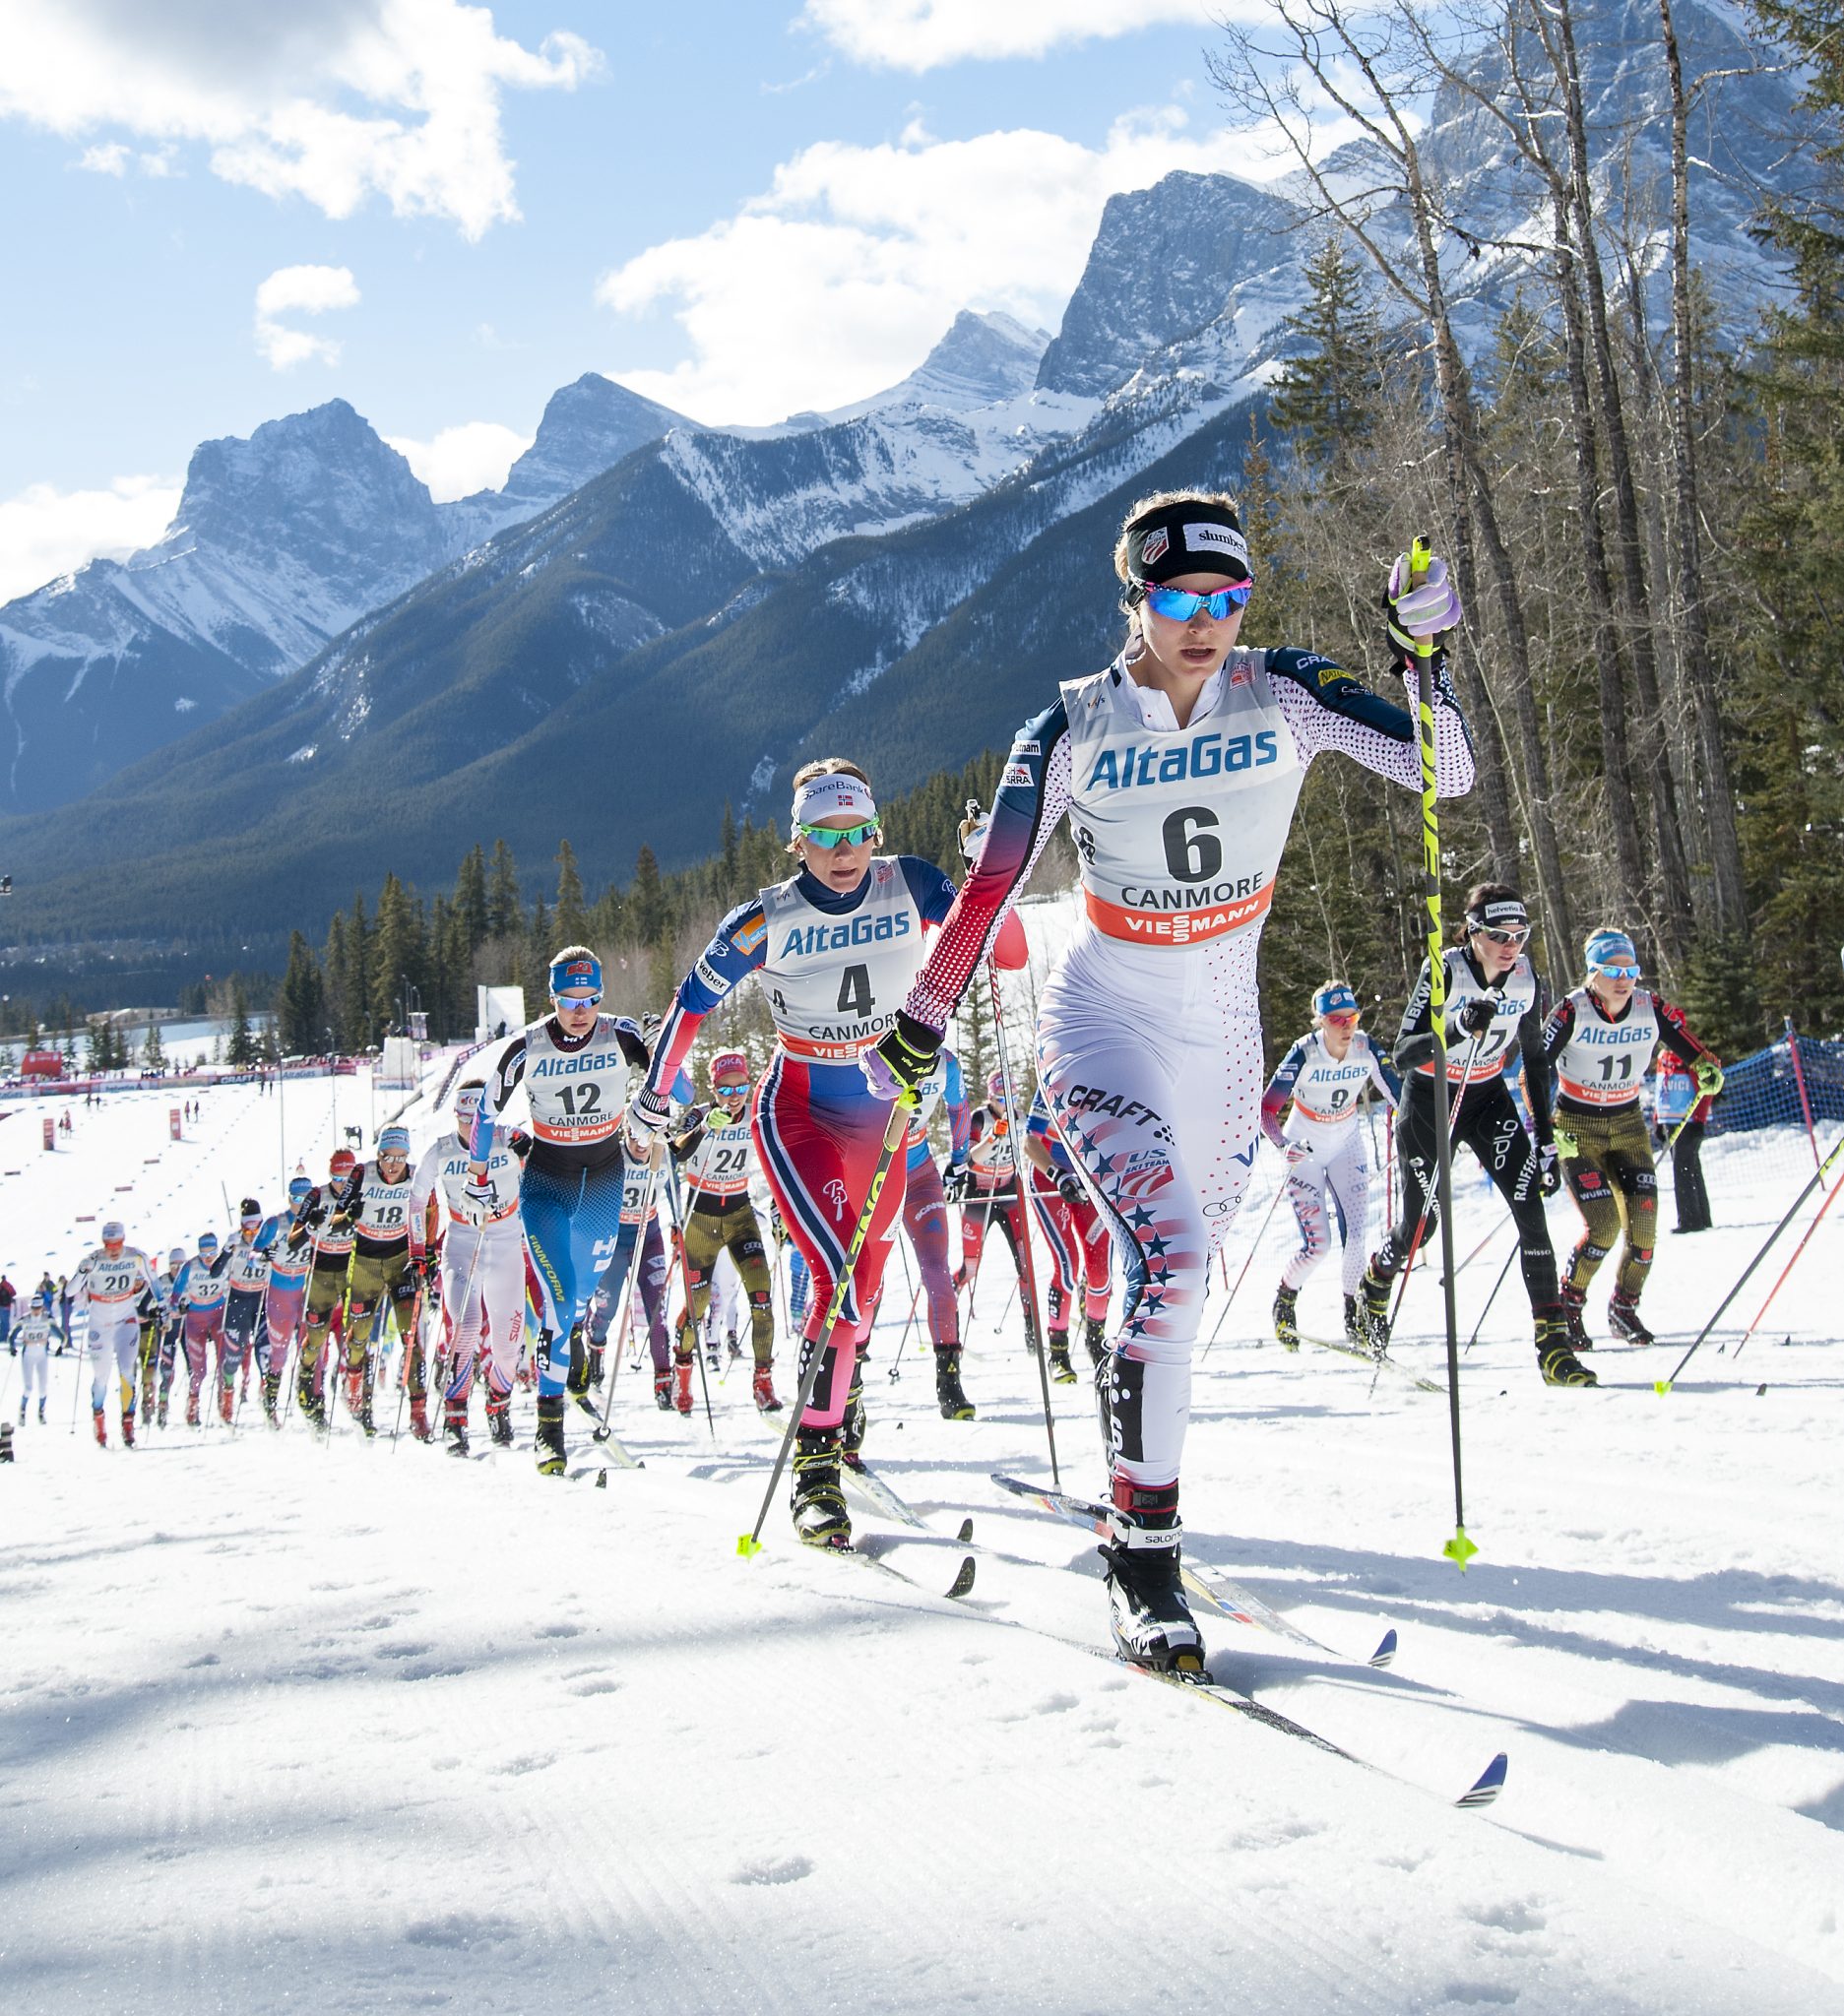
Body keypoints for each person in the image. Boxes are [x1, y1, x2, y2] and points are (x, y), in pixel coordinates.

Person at [864, 491, 1475, 1668]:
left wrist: (1425, 661)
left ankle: (1128, 1429)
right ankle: (1142, 1557)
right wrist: (922, 1017)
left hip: (1225, 1041)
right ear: (1134, 600)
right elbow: (992, 881)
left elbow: (1441, 776)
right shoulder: (1073, 725)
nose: (1205, 622)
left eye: (1228, 598)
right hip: (1101, 1024)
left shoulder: (1287, 688)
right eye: (1179, 599)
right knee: (1176, 1263)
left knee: (1176, 1296)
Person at [629, 759, 960, 1547]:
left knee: (867, 1287)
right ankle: (814, 1471)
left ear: (874, 833)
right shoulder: (763, 919)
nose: (841, 850)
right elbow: (690, 1003)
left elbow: (1002, 949)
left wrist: (987, 875)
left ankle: (837, 1399)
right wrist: (653, 1093)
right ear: (797, 843)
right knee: (836, 1281)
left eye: (855, 833)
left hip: (889, 1117)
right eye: (822, 835)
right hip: (804, 1113)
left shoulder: (910, 883)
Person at [1355, 885, 1589, 1386]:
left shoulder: (1527, 979)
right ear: (1473, 933)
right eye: (1499, 936)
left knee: (1531, 1210)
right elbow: (1403, 1054)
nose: (1511, 946)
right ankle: (1378, 1275)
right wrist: (1456, 1028)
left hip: (1486, 1099)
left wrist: (1545, 1139)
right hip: (1430, 1103)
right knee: (1422, 1229)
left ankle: (1553, 1346)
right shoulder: (1443, 970)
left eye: (1520, 935)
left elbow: (1536, 1057)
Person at [469, 947, 652, 1476]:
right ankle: (549, 1431)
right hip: (548, 1183)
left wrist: (663, 1055)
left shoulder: (621, 1035)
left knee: (575, 1302)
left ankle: (562, 1348)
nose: (580, 1010)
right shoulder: (527, 1046)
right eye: (570, 1000)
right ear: (553, 998)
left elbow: (677, 1087)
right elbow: (486, 1113)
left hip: (604, 1181)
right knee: (562, 1297)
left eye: (590, 999)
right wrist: (480, 1177)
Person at [1542, 929, 1722, 1347]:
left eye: (1630, 970)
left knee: (1644, 1231)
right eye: (1611, 970)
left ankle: (1623, 1308)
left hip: (1627, 1126)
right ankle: (1567, 1307)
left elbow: (1694, 1050)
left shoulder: (1648, 1006)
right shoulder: (1571, 1011)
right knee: (1602, 1227)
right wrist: (1545, 1128)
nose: (1623, 980)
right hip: (1578, 1128)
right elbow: (1532, 1069)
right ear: (1592, 974)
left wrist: (1708, 1068)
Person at [1260, 982, 1401, 1349]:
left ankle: (1355, 1315)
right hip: (1305, 1147)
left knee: (1357, 1234)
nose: (1346, 1026)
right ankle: (1286, 1298)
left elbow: (1397, 1093)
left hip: (1346, 1143)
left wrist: (1416, 1125)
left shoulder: (1365, 1048)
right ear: (1321, 1021)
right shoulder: (1305, 1052)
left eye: (1351, 1017)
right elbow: (1266, 1110)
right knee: (1318, 1245)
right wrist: (1282, 1144)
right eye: (1336, 1019)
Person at [410, 1079, 528, 1457]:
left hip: (506, 1242)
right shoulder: (441, 1151)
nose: (472, 1129)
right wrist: (418, 1251)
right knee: (466, 1326)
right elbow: (416, 1199)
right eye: (464, 1120)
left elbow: (544, 1162)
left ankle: (498, 1402)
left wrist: (530, 1151)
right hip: (462, 1245)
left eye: (478, 1120)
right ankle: (455, 1415)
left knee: (508, 1347)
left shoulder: (508, 1138)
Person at [668, 1051, 780, 1415]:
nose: (734, 1096)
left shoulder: (753, 1114)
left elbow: (779, 1147)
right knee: (697, 1305)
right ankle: (681, 1371)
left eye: (741, 1088)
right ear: (713, 1089)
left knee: (762, 1300)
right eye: (725, 1089)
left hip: (739, 1215)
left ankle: (763, 1381)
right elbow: (675, 1153)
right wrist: (703, 1129)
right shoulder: (700, 1114)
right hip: (701, 1218)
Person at [898, 1043, 978, 1415]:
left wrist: (960, 1161)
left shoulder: (946, 1064)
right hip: (872, 1175)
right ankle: (848, 1393)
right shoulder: (880, 1051)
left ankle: (950, 1385)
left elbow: (959, 1107)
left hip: (919, 1174)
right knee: (867, 1284)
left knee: (938, 1274)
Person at [1021, 1085, 1111, 1378]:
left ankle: (1095, 1339)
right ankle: (1057, 1350)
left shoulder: (1113, 1079)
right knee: (1067, 1266)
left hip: (1090, 1176)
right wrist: (1058, 1176)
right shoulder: (1056, 1080)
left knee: (1100, 1273)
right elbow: (1030, 1142)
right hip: (1048, 1174)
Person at [340, 1125, 423, 1439]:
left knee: (410, 1335)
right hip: (364, 1262)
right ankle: (355, 1390)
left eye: (400, 1157)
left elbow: (431, 1211)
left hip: (400, 1261)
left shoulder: (416, 1175)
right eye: (388, 1157)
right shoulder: (362, 1174)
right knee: (359, 1334)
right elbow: (338, 1216)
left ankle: (418, 1411)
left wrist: (425, 1253)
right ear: (378, 1156)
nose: (393, 1164)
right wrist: (349, 1215)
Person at [955, 1066, 1044, 1359]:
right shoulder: (979, 1118)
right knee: (970, 1268)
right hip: (979, 1195)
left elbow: (1029, 1147)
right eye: (1003, 1099)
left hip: (1007, 1193)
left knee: (1025, 1264)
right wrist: (992, 1138)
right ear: (992, 1098)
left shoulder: (1020, 1119)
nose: (1009, 1105)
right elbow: (968, 1159)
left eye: (1013, 1098)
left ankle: (1032, 1334)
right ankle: (949, 1324)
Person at [76, 1221, 165, 1447]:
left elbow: (153, 1280)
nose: (113, 1249)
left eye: (117, 1243)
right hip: (100, 1325)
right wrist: (82, 1271)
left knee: (127, 1372)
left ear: (123, 1241)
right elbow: (70, 1290)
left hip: (126, 1322)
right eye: (108, 1244)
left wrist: (163, 1305)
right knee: (101, 1377)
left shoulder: (136, 1257)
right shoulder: (95, 1259)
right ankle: (99, 1419)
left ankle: (128, 1424)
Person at [258, 1179, 315, 1423]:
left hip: (305, 1288)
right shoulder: (275, 1224)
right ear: (290, 1199)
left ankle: (310, 1398)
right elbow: (253, 1254)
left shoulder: (317, 1223)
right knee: (279, 1352)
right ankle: (270, 1400)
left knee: (311, 1346)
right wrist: (262, 1255)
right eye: (297, 1200)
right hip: (281, 1291)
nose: (301, 1206)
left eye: (306, 1200)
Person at [219, 1199, 275, 1421]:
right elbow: (215, 1272)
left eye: (256, 1228)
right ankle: (227, 1395)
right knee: (233, 1358)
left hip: (261, 1300)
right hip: (237, 1301)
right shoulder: (235, 1243)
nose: (252, 1234)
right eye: (247, 1229)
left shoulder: (268, 1239)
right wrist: (225, 1251)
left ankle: (269, 1403)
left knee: (265, 1355)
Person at [1654, 1054, 1716, 1233]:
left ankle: (1691, 1220)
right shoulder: (1663, 1058)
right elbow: (1661, 1091)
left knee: (1683, 1169)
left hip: (1688, 1121)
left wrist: (1699, 1119)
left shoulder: (1689, 1056)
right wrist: (1657, 1119)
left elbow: (1706, 1091)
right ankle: (1701, 1217)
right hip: (1670, 1120)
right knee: (1689, 1167)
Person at [16, 1287, 58, 1425]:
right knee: (28, 1387)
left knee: (43, 1387)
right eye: (34, 1308)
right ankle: (22, 1412)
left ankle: (41, 1412)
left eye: (38, 1308)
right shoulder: (25, 1319)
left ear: (42, 1307)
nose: (36, 1311)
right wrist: (11, 1346)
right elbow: (12, 1334)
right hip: (28, 1356)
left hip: (42, 1356)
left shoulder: (47, 1319)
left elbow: (61, 1334)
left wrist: (61, 1346)